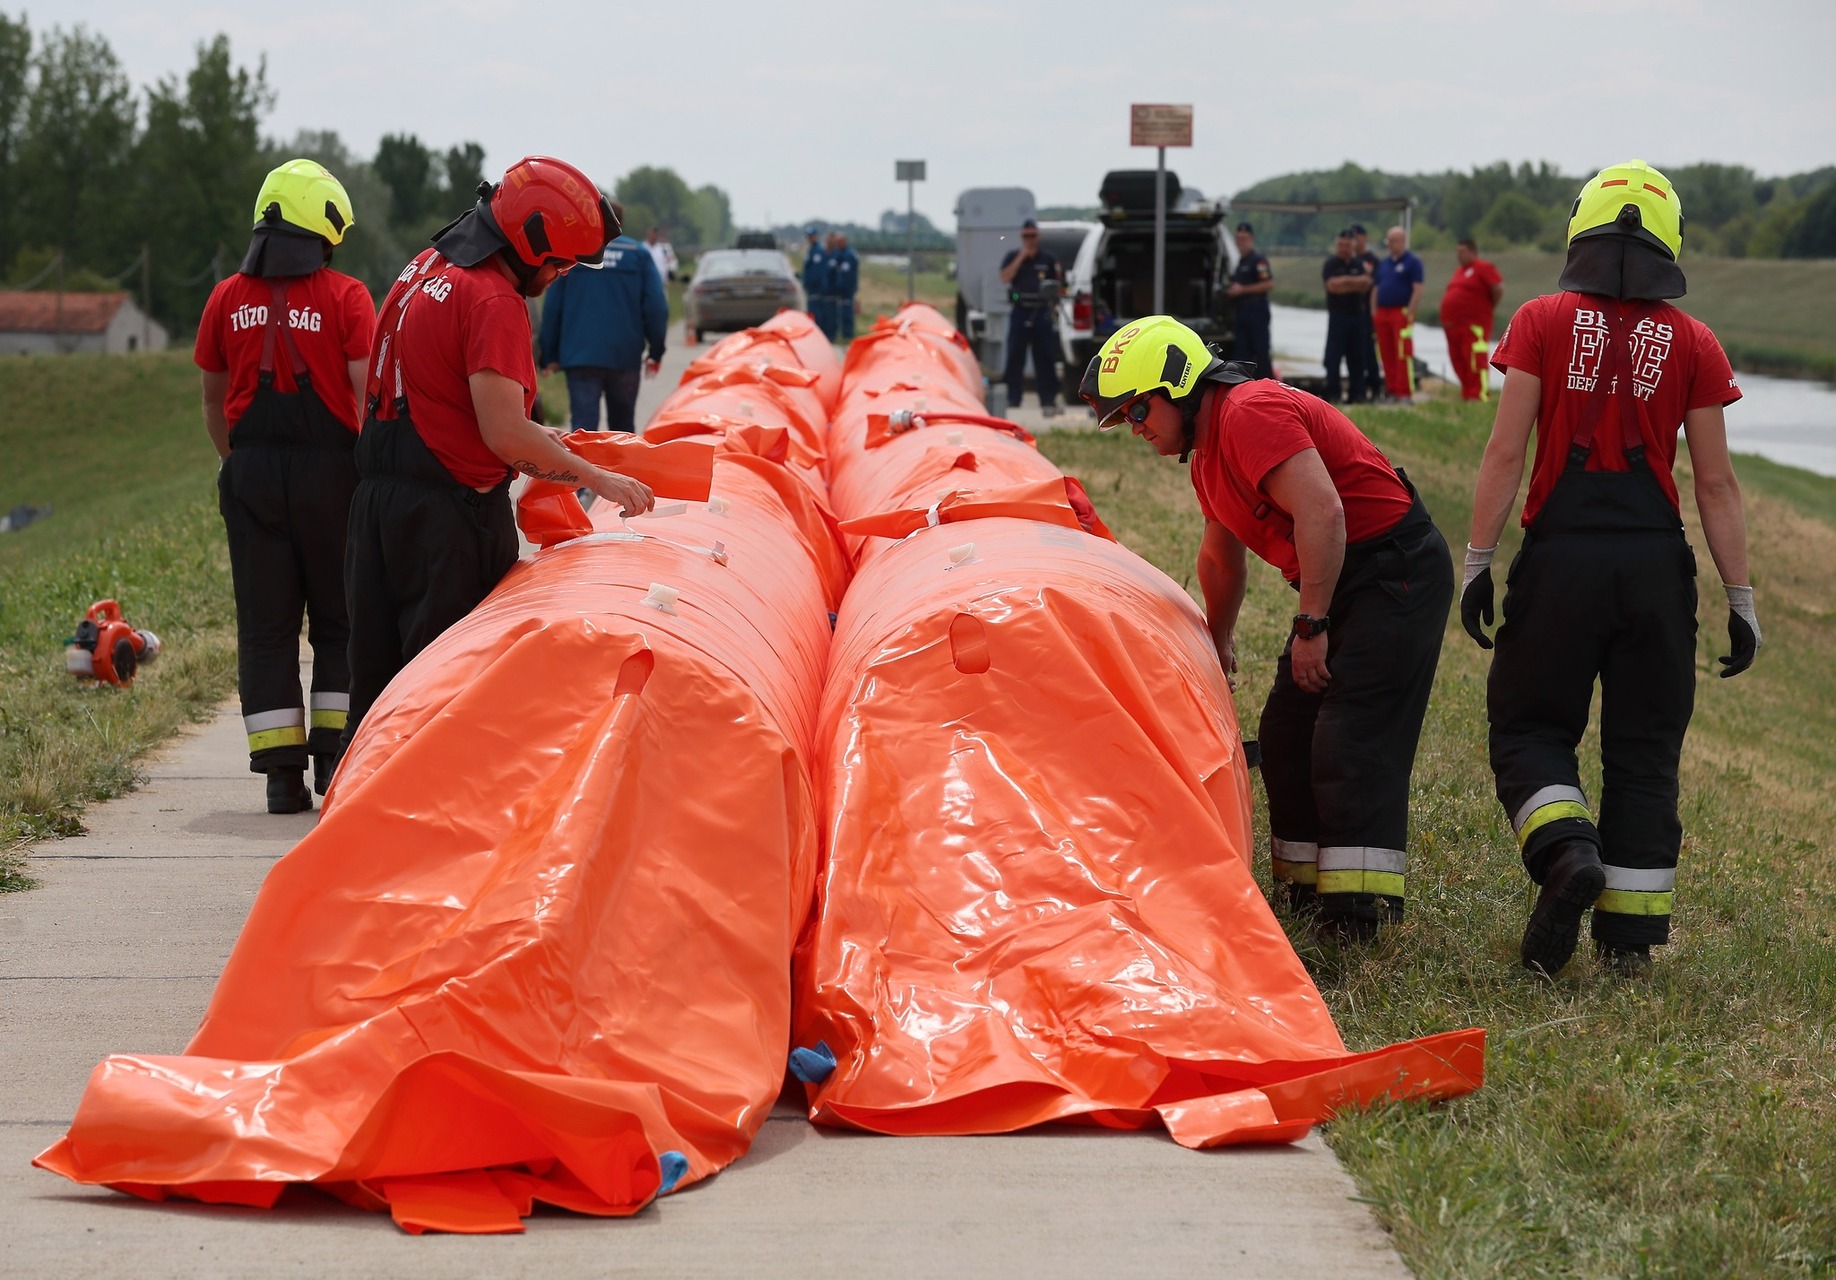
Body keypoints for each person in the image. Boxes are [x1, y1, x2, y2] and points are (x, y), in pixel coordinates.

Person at [1462, 159, 1757, 977]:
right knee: (1645, 750)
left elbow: (1505, 451)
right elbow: (1715, 484)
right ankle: (1629, 946)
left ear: (1580, 227)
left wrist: (1478, 561)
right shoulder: (1695, 342)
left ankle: (1566, 854)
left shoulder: (1539, 320)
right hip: (1655, 570)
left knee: (1529, 727)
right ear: (1670, 241)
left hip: (1561, 561)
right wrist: (1740, 599)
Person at [1081, 316, 1453, 941]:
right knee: (1285, 734)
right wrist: (1217, 640)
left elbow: (1323, 513)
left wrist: (1312, 625)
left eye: (1138, 409)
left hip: (1392, 570)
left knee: (1349, 734)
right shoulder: (1207, 456)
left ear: (1179, 385)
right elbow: (1221, 559)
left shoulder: (1249, 413)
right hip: (1343, 576)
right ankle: (1302, 892)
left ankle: (1356, 912)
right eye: (1123, 419)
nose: (1135, 427)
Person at [341, 156, 656, 757]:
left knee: (377, 693)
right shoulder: (493, 299)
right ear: (532, 243)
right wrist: (598, 479)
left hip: (377, 507)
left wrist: (548, 439)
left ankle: (350, 794)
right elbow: (506, 436)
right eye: (561, 262)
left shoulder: (423, 269)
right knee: (444, 699)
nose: (563, 274)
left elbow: (443, 395)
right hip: (447, 524)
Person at [195, 159, 375, 814]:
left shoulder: (224, 298)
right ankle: (334, 758)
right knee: (341, 618)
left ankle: (280, 778)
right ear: (323, 230)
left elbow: (213, 403)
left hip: (251, 476)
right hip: (334, 477)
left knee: (266, 627)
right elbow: (369, 399)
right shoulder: (348, 297)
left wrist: (238, 466)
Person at [539, 203, 668, 434]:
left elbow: (553, 306)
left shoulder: (573, 254)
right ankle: (620, 460)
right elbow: (656, 307)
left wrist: (549, 354)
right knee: (623, 431)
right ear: (619, 222)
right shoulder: (637, 254)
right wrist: (656, 350)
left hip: (580, 356)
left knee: (583, 432)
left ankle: (582, 460)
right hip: (624, 356)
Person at [998, 218, 1065, 416]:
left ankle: (1048, 398)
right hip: (1020, 310)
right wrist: (1022, 257)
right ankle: (1013, 397)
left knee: (1045, 356)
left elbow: (1059, 285)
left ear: (1038, 236)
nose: (1029, 239)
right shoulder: (1012, 256)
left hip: (1041, 312)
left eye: (1032, 235)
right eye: (1025, 236)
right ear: (1021, 236)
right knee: (1015, 356)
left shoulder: (1048, 258)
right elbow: (1004, 278)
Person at [1439, 237, 1505, 401]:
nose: (1459, 255)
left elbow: (1497, 288)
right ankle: (1467, 392)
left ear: (1473, 252)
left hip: (1473, 325)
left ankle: (1479, 394)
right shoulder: (1459, 271)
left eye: (1462, 252)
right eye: (1457, 252)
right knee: (1459, 360)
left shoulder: (1482, 267)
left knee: (1475, 359)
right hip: (1453, 326)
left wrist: (1486, 307)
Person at [1372, 226, 1425, 402]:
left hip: (1400, 312)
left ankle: (1405, 392)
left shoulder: (1412, 262)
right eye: (1388, 241)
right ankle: (1392, 390)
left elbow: (1417, 289)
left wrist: (1410, 313)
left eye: (1393, 241)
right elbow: (1376, 288)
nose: (1390, 244)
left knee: (1402, 353)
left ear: (1402, 241)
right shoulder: (1384, 264)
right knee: (1386, 354)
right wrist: (1374, 311)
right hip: (1383, 313)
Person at [1321, 230, 1373, 405]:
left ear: (1353, 246)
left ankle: (1357, 395)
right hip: (1338, 317)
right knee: (1333, 358)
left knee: (1357, 357)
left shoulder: (1359, 263)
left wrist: (1343, 282)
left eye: (1347, 245)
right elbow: (1332, 286)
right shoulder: (1331, 264)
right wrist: (1354, 282)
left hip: (1357, 317)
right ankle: (1333, 394)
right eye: (1340, 245)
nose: (1343, 248)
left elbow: (1366, 284)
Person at [1226, 220, 1274, 378]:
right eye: (1238, 238)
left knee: (1261, 352)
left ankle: (1267, 385)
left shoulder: (1258, 260)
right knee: (1242, 355)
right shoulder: (1241, 262)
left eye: (1244, 238)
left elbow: (1268, 284)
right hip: (1242, 312)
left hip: (1256, 310)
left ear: (1251, 239)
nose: (1241, 242)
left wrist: (1242, 290)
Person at [1350, 224, 1381, 401]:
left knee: (1369, 352)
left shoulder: (1372, 260)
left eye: (1358, 237)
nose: (1355, 241)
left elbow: (1373, 284)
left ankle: (1375, 386)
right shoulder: (1351, 260)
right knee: (1355, 353)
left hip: (1368, 313)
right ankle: (1359, 389)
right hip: (1354, 313)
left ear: (1364, 238)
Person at [828, 230, 861, 342]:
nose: (838, 244)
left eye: (840, 242)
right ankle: (843, 332)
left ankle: (848, 334)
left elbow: (848, 274)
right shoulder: (839, 253)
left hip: (848, 288)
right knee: (841, 311)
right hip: (840, 288)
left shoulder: (849, 254)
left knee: (847, 311)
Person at [801, 226, 832, 338]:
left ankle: (819, 333)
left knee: (816, 312)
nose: (809, 238)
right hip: (812, 287)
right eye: (808, 236)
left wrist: (812, 283)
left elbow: (817, 271)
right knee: (813, 311)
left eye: (811, 236)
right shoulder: (811, 250)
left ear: (816, 237)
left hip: (816, 287)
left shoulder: (818, 251)